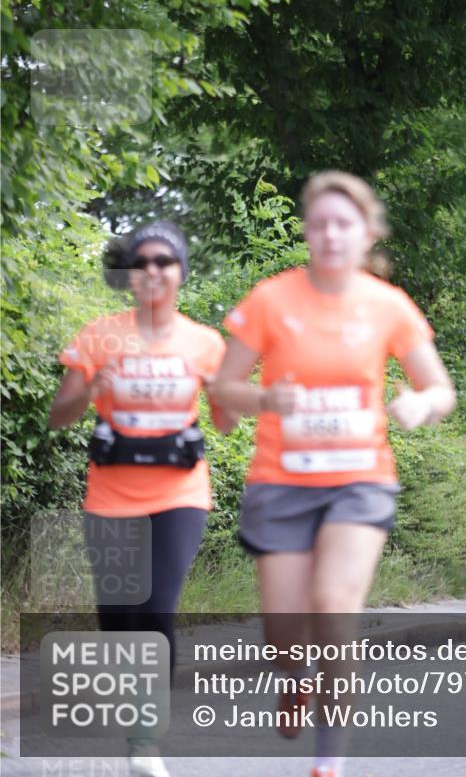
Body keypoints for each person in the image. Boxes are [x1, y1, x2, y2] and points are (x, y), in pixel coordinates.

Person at [210, 171, 456, 777]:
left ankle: (329, 762)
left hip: (359, 481)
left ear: (367, 233)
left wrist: (419, 404)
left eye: (343, 224)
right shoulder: (271, 300)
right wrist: (266, 399)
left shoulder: (387, 305)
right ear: (307, 232)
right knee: (284, 636)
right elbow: (223, 388)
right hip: (281, 482)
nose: (330, 235)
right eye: (318, 224)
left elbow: (440, 389)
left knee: (334, 608)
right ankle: (294, 677)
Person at [49, 220, 233, 777]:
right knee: (119, 616)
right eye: (142, 261)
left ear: (180, 272)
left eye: (164, 261)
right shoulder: (99, 335)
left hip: (180, 492)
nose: (152, 270)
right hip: (111, 495)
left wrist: (229, 392)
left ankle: (144, 744)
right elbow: (59, 416)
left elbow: (226, 421)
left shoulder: (204, 342)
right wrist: (92, 387)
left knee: (155, 607)